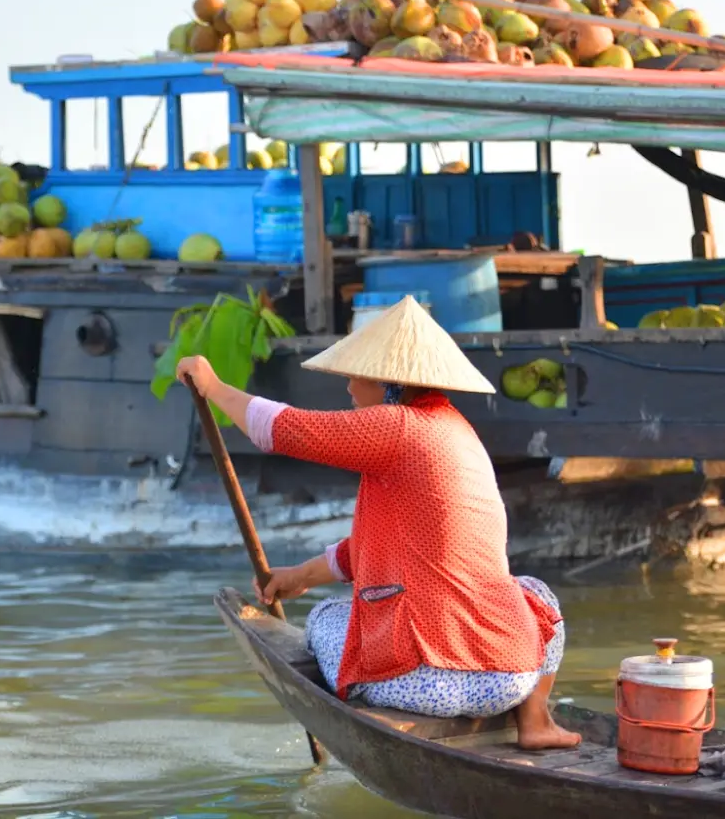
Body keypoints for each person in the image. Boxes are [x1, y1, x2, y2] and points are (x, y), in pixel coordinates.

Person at [176, 296, 581, 752]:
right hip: (513, 675)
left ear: (390, 382)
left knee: (327, 619)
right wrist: (298, 577)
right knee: (534, 591)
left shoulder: (396, 427)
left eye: (357, 374)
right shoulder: (457, 431)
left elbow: (283, 430)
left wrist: (213, 387)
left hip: (431, 684)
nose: (349, 386)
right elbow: (375, 545)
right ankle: (536, 718)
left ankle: (387, 713)